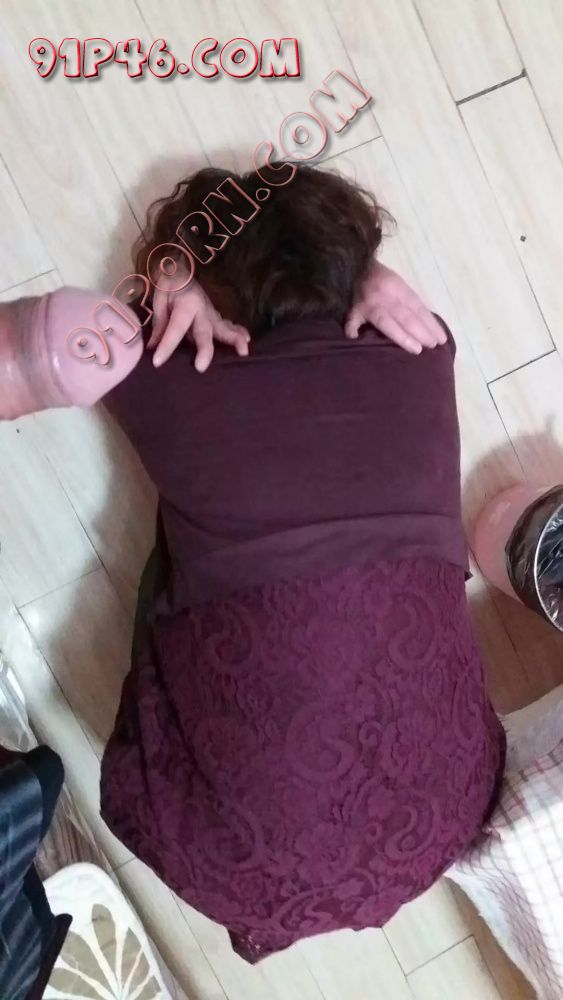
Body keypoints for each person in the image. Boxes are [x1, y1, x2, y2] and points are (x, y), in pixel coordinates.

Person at [98, 162, 506, 963]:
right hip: (442, 822)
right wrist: (375, 272)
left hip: (399, 825)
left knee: (186, 570)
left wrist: (166, 272)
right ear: (351, 270)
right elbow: (411, 313)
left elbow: (100, 336)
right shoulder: (421, 350)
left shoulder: (173, 379)